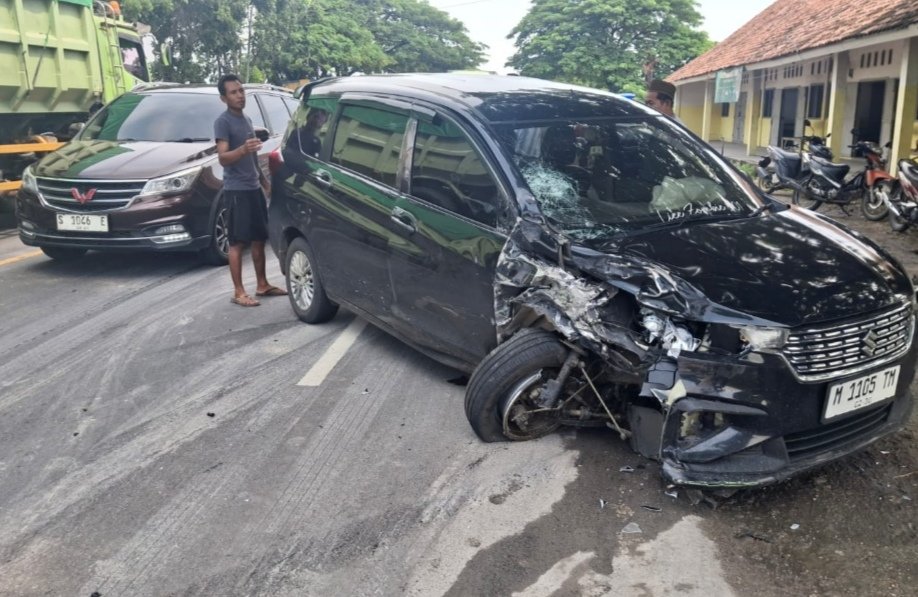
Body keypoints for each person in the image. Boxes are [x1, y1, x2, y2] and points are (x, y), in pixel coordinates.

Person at [214, 73, 287, 307]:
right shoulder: (223, 122)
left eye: (241, 90)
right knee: (237, 242)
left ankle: (262, 284)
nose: (240, 95)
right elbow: (223, 158)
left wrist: (265, 184)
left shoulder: (245, 119)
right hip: (237, 191)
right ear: (224, 98)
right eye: (234, 92)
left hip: (253, 188)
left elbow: (253, 155)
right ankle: (238, 292)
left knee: (258, 239)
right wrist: (242, 150)